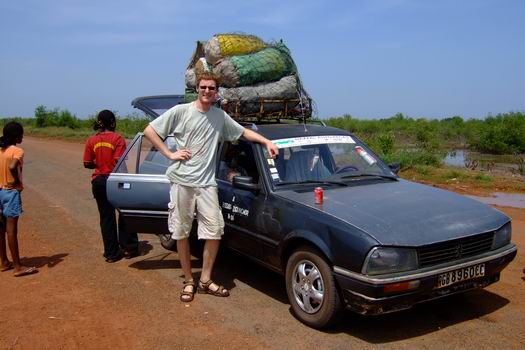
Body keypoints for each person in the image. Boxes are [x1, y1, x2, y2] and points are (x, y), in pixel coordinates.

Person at [144, 72, 278, 302]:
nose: (207, 91)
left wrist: (266, 141)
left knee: (214, 231)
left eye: (211, 88)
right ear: (197, 88)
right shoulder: (181, 112)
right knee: (181, 232)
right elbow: (150, 131)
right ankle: (188, 281)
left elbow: (242, 132)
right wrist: (169, 153)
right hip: (182, 181)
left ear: (217, 92)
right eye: (203, 87)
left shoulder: (219, 116)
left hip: (207, 184)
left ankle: (205, 280)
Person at [83, 110, 139, 263]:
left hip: (98, 182)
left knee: (106, 218)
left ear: (99, 122)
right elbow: (118, 162)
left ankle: (111, 253)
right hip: (114, 180)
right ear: (113, 123)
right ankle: (129, 248)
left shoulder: (91, 140)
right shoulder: (118, 138)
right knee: (125, 213)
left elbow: (87, 163)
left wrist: (99, 164)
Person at [0, 121, 38, 277]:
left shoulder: (1, 150)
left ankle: (3, 261)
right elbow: (12, 166)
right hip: (11, 192)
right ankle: (17, 266)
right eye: (21, 134)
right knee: (11, 230)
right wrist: (16, 181)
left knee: (0, 228)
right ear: (16, 136)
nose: (22, 136)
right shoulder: (17, 151)